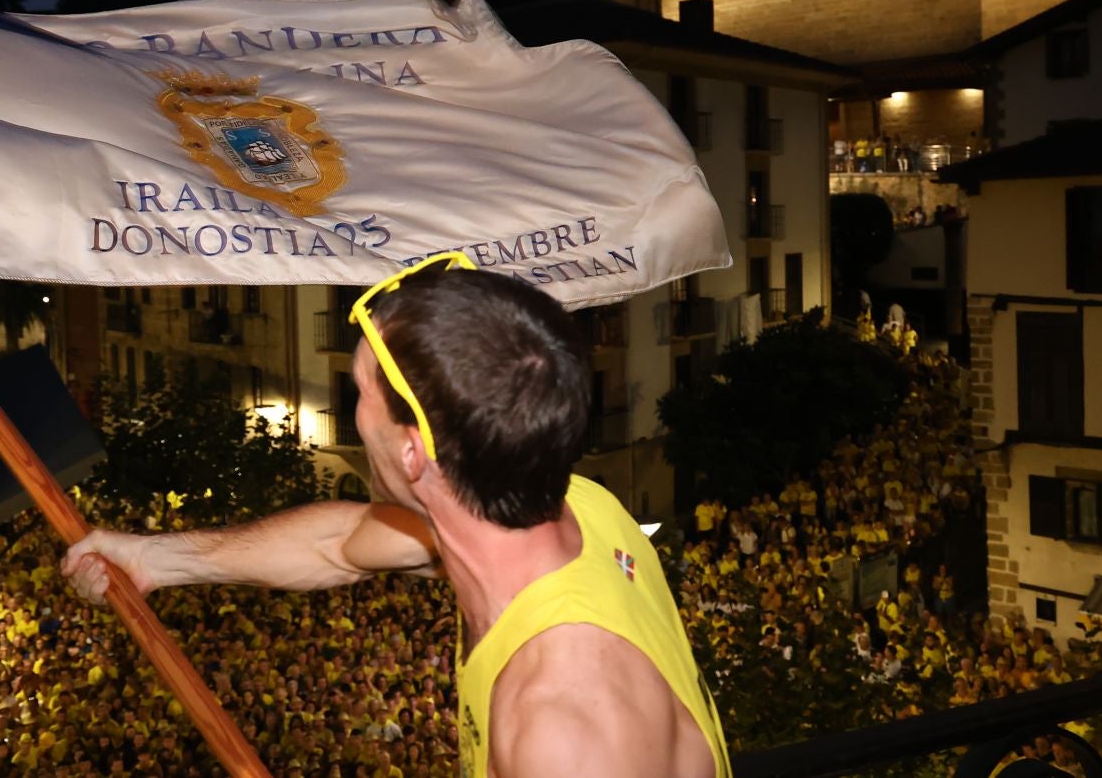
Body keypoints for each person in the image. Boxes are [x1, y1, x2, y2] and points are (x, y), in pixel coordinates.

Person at [63, 254, 730, 777]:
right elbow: (338, 544)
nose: (353, 413)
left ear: (413, 451)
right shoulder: (572, 505)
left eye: (359, 393)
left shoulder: (562, 725)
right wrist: (153, 560)